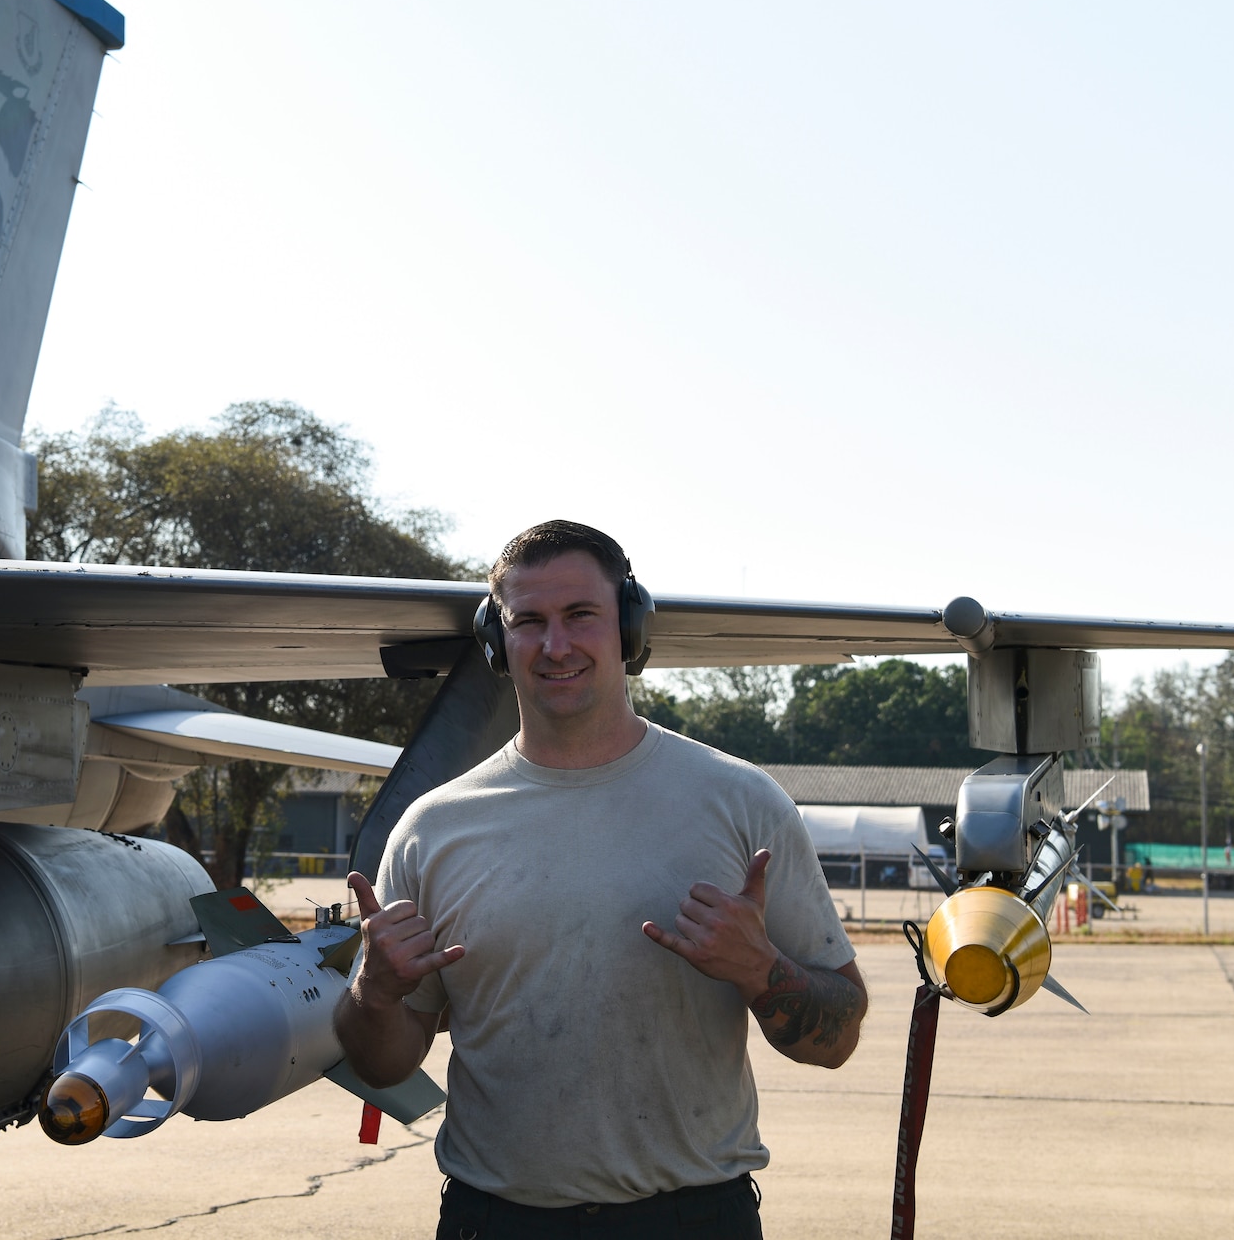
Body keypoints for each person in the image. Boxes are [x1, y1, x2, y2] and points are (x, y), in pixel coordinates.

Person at [335, 520, 866, 1239]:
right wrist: (375, 991)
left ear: (630, 625)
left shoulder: (740, 803)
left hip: (694, 1217)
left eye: (581, 615)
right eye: (529, 621)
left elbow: (835, 1039)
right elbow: (384, 1062)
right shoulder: (433, 829)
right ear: (498, 640)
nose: (556, 645)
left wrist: (761, 969)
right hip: (496, 1220)